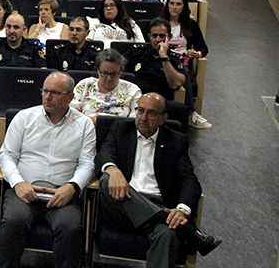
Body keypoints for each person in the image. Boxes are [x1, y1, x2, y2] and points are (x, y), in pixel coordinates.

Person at [95, 93, 222, 267]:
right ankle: (186, 229)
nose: (143, 118)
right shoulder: (120, 129)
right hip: (122, 206)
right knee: (105, 180)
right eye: (140, 110)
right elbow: (104, 154)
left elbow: (189, 180)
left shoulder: (176, 141)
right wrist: (113, 169)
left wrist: (182, 210)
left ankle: (167, 218)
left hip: (159, 204)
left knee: (167, 235)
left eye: (151, 113)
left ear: (163, 118)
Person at [0, 71, 96, 268]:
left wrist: (73, 187)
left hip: (62, 192)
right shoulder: (24, 117)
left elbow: (87, 163)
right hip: (24, 188)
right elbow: (6, 154)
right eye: (45, 91)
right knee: (13, 222)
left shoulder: (84, 125)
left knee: (70, 227)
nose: (48, 97)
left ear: (70, 97)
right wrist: (18, 184)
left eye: (55, 93)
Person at [159, 0, 211, 129]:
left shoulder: (190, 24)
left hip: (182, 60)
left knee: (182, 68)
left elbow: (204, 48)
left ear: (184, 7)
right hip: (162, 58)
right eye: (171, 3)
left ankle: (191, 113)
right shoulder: (160, 23)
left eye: (178, 4)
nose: (174, 7)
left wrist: (197, 53)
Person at [0, 13, 46, 94]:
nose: (11, 31)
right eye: (8, 26)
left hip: (26, 90)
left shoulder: (34, 48)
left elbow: (43, 72)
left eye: (16, 27)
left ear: (24, 29)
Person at [71, 48, 142, 124]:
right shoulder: (85, 85)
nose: (109, 78)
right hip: (87, 129)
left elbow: (135, 120)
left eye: (114, 74)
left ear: (120, 73)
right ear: (98, 71)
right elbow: (72, 113)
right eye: (104, 73)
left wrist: (103, 122)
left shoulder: (133, 90)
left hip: (119, 132)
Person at [122, 18, 186, 101]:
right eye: (154, 36)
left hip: (159, 100)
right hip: (135, 97)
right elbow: (119, 68)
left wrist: (164, 56)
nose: (158, 39)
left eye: (162, 36)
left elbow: (175, 84)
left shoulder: (175, 58)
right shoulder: (137, 51)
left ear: (169, 37)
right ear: (149, 37)